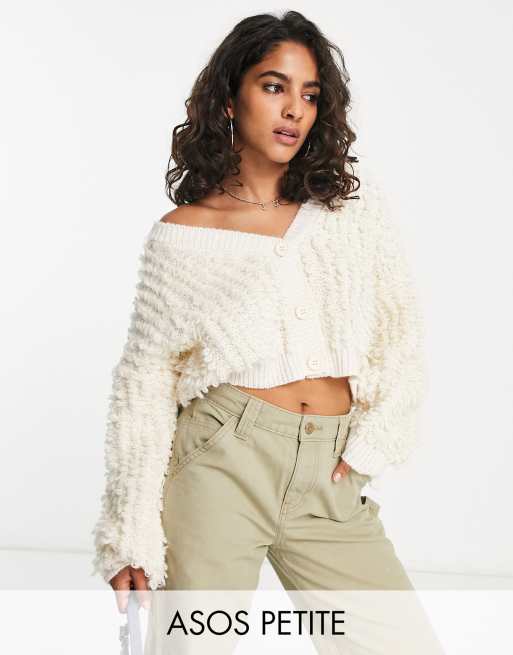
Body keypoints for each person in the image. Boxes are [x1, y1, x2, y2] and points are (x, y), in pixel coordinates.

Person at [91, 10, 445, 654]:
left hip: (330, 475)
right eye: (273, 86)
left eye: (309, 94)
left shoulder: (349, 209)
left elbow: (400, 329)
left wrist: (375, 441)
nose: (293, 110)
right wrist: (130, 533)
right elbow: (143, 384)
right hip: (221, 464)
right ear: (230, 100)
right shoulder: (184, 235)